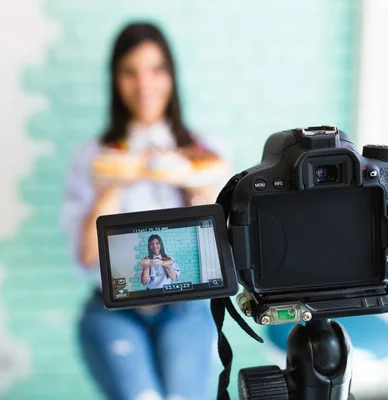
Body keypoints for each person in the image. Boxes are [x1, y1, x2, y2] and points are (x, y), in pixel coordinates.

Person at [61, 22, 231, 400]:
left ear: (171, 75)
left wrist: (195, 187)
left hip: (186, 306)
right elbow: (87, 257)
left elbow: (221, 257)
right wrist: (113, 186)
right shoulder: (95, 159)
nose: (144, 85)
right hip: (112, 308)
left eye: (156, 69)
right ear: (115, 80)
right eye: (130, 72)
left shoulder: (204, 155)